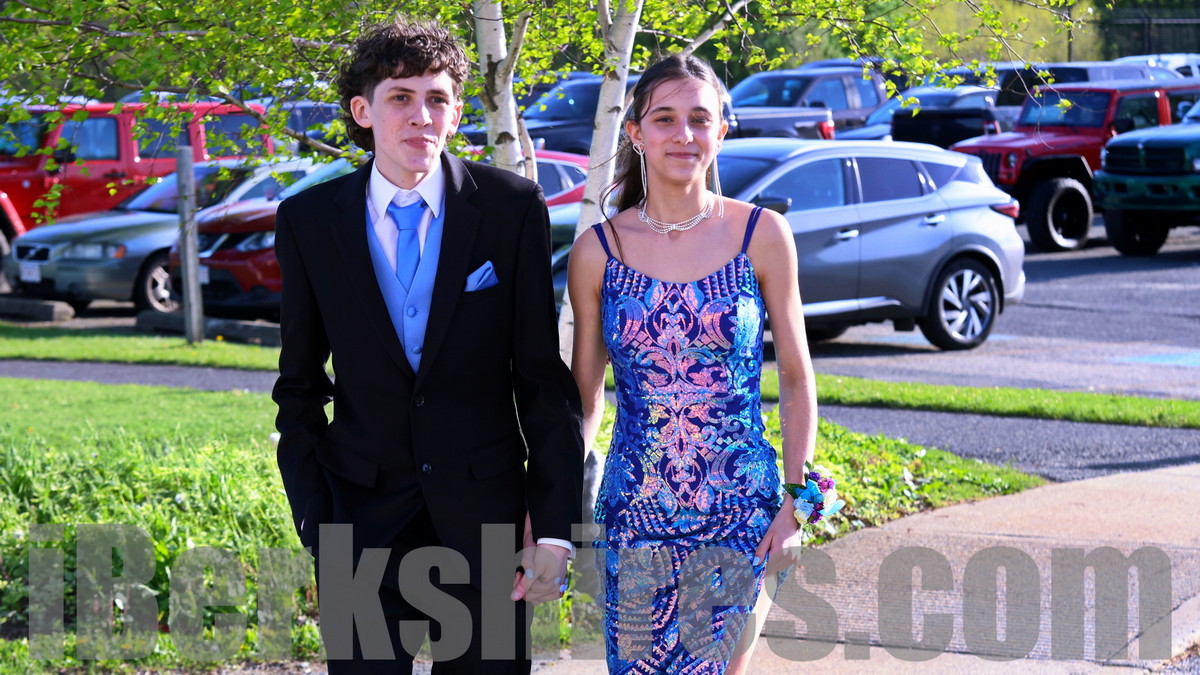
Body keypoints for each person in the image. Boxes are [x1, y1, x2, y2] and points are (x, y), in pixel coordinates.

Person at [272, 19, 584, 674]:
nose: (421, 116)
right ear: (362, 111)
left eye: (437, 98)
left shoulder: (511, 209)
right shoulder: (309, 221)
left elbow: (541, 379)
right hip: (359, 524)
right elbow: (299, 385)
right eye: (401, 97)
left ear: (457, 111)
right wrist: (316, 519)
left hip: (488, 525)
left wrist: (554, 526)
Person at [567, 53, 818, 673]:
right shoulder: (598, 250)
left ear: (721, 131)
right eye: (665, 119)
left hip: (742, 513)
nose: (683, 135)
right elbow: (585, 399)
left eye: (700, 119)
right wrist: (546, 505)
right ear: (636, 132)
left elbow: (794, 377)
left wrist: (797, 504)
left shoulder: (763, 235)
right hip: (636, 515)